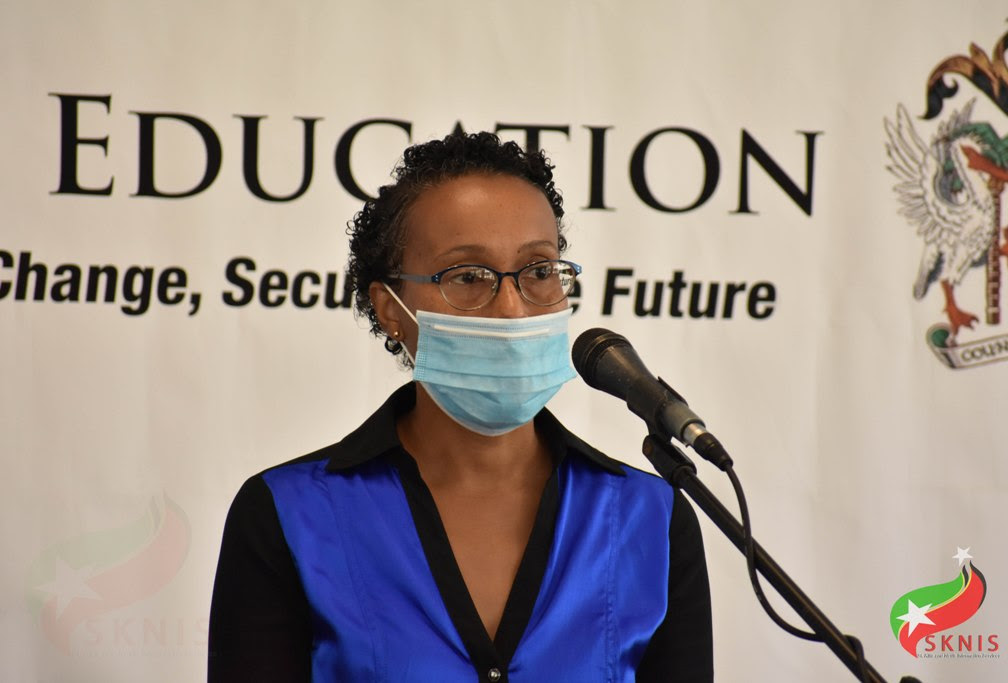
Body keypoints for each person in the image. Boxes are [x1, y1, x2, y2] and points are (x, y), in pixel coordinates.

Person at [208, 131, 713, 682]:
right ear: (391, 309)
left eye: (539, 270)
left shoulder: (651, 519)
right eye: (468, 276)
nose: (512, 308)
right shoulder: (289, 513)